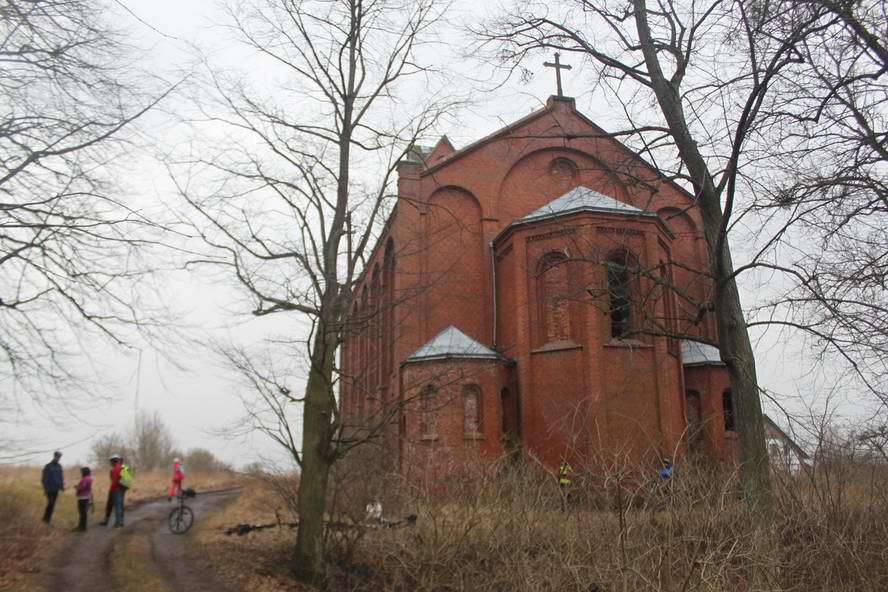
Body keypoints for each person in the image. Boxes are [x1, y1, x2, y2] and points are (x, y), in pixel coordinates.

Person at [99, 454, 125, 527]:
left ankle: (117, 522)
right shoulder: (122, 468)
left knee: (116, 506)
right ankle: (120, 521)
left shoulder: (115, 469)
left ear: (113, 461)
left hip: (115, 490)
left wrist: (112, 490)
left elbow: (114, 481)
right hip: (121, 489)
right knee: (119, 505)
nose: (110, 463)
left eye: (111, 462)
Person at [41, 451, 65, 524]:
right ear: (54, 456)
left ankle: (48, 520)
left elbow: (61, 477)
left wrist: (62, 486)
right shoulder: (48, 466)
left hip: (56, 489)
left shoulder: (59, 466)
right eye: (58, 457)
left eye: (60, 457)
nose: (59, 458)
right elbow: (44, 478)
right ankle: (45, 519)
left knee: (53, 504)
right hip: (49, 489)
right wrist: (46, 488)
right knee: (50, 503)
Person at [74, 467, 93, 531]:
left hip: (82, 497)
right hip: (86, 497)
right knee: (83, 512)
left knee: (82, 513)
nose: (81, 473)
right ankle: (82, 527)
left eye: (82, 472)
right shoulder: (89, 478)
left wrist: (76, 487)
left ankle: (82, 527)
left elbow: (82, 487)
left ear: (84, 472)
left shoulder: (85, 478)